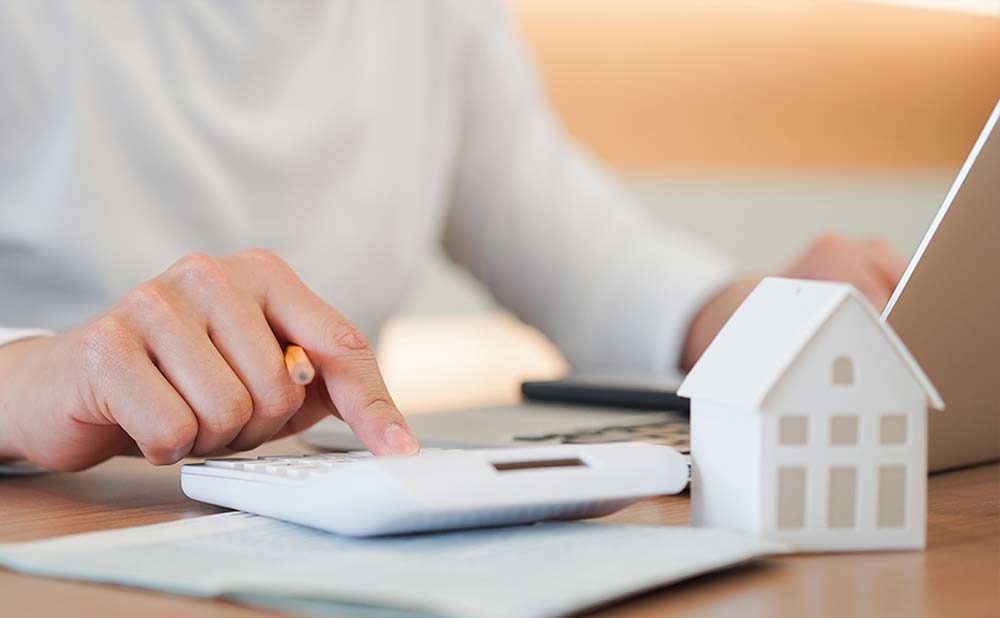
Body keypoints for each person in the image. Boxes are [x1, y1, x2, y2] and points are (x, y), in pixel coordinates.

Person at [0, 2, 905, 472]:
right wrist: (29, 375)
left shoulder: (432, 11)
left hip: (313, 535)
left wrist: (754, 316)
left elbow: (582, 254)